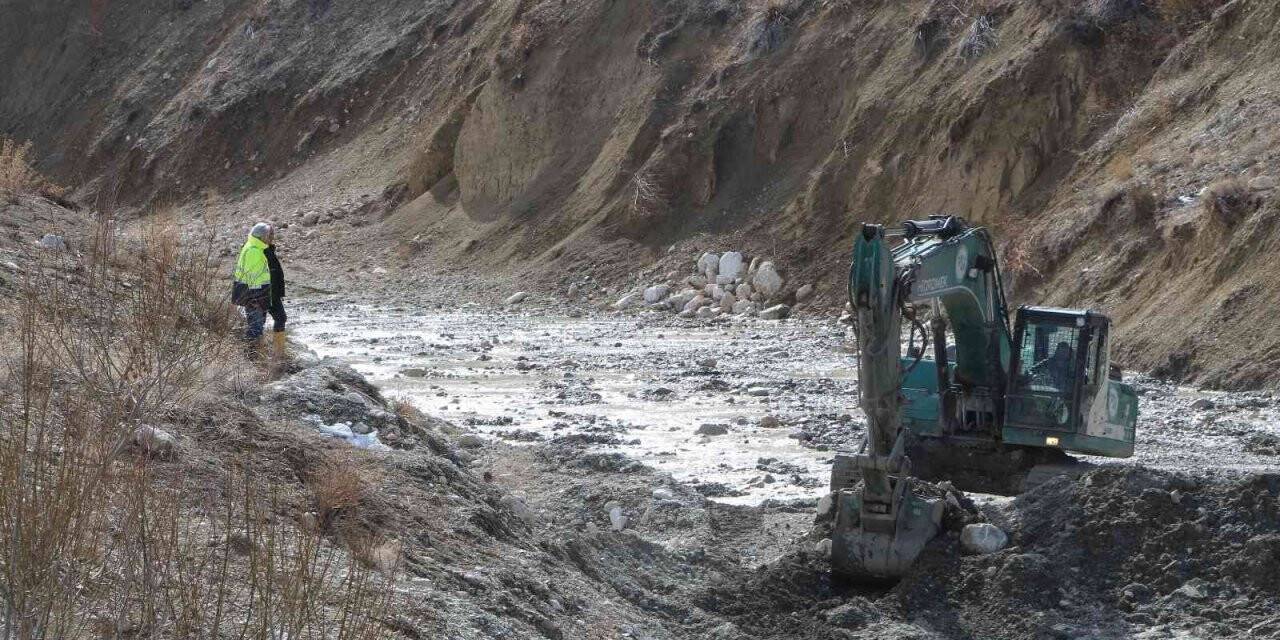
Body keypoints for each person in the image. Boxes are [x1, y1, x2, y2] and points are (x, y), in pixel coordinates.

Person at [233, 223, 274, 355]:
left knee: (256, 326)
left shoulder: (254, 247)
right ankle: (251, 356)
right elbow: (253, 279)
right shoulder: (254, 251)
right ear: (261, 236)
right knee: (256, 328)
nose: (270, 238)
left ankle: (253, 355)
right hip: (254, 296)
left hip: (254, 295)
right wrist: (256, 300)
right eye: (268, 236)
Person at [264, 227, 288, 362]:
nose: (272, 236)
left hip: (271, 293)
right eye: (269, 234)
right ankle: (276, 355)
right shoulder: (261, 251)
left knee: (281, 318)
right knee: (258, 323)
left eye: (272, 234)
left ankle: (278, 354)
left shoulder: (269, 250)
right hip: (264, 292)